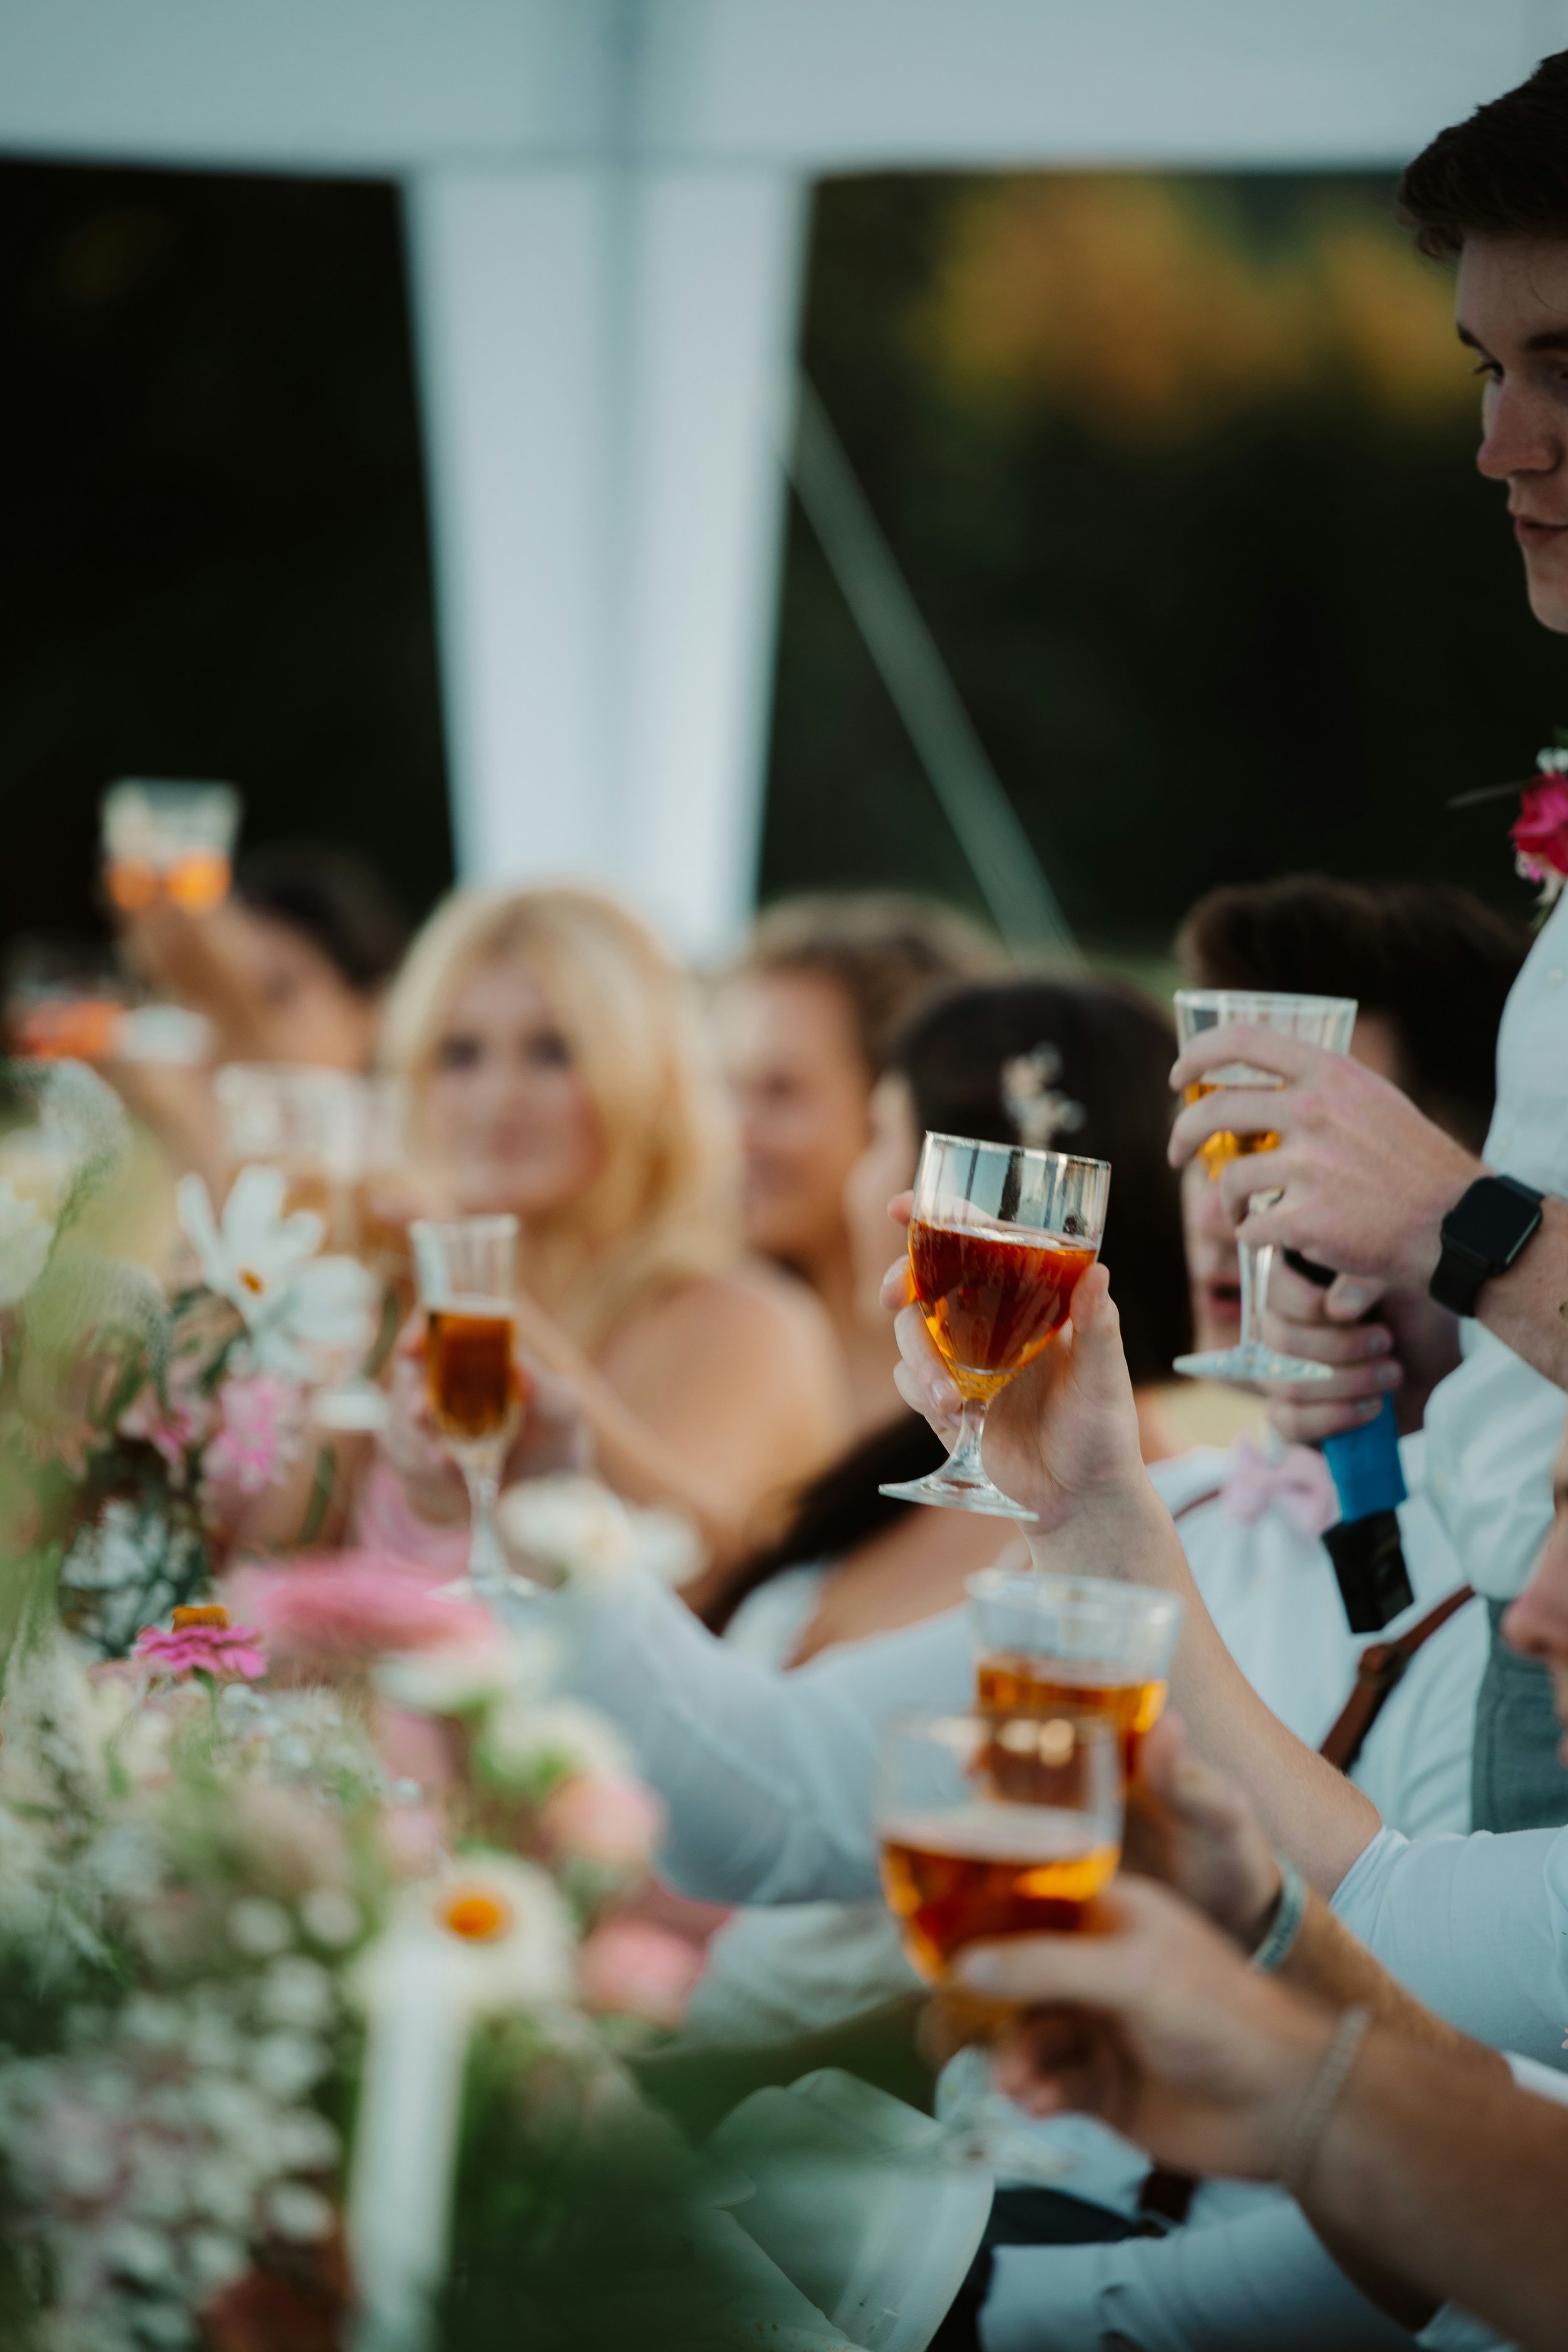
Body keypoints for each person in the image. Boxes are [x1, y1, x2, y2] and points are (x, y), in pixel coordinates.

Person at [1167, 69, 1568, 1830]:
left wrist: (1457, 1223)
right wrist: (1433, 1345)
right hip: (1503, 1652)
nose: (1497, 445)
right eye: (1488, 371)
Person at [704, 974, 1194, 1659]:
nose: (860, 1179)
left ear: (985, 1188)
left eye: (878, 1135)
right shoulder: (928, 1449)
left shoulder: (1138, 1526)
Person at [368, 884, 845, 1571]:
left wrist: (484, 1301)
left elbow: (710, 1578)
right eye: (461, 1054)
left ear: (645, 1075)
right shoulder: (392, 1299)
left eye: (551, 1051)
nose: (498, 1095)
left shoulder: (745, 1321)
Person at [721, 894, 1002, 1431]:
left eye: (780, 1092)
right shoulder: (697, 1327)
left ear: (901, 1114)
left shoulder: (991, 1406)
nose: (734, 1134)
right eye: (727, 1087)